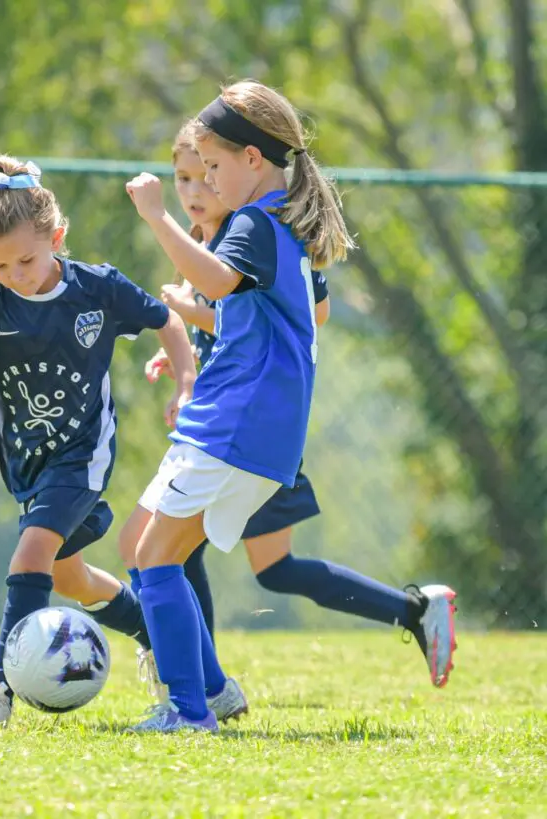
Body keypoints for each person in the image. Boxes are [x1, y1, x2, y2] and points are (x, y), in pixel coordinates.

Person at [124, 80, 453, 733]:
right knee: (160, 553)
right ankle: (204, 694)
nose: (207, 181)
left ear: (253, 159)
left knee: (155, 558)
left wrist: (157, 216)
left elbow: (219, 283)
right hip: (252, 426)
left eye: (214, 166)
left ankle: (192, 710)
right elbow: (258, 311)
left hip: (235, 422)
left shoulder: (254, 220)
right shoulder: (279, 220)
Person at [0, 155, 197, 726]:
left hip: (83, 454)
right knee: (67, 576)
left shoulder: (96, 289)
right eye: (0, 264)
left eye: (27, 259)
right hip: (29, 467)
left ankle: (0, 692)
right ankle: (163, 639)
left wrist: (185, 382)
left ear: (56, 237)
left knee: (30, 555)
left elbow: (168, 321)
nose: (17, 275)